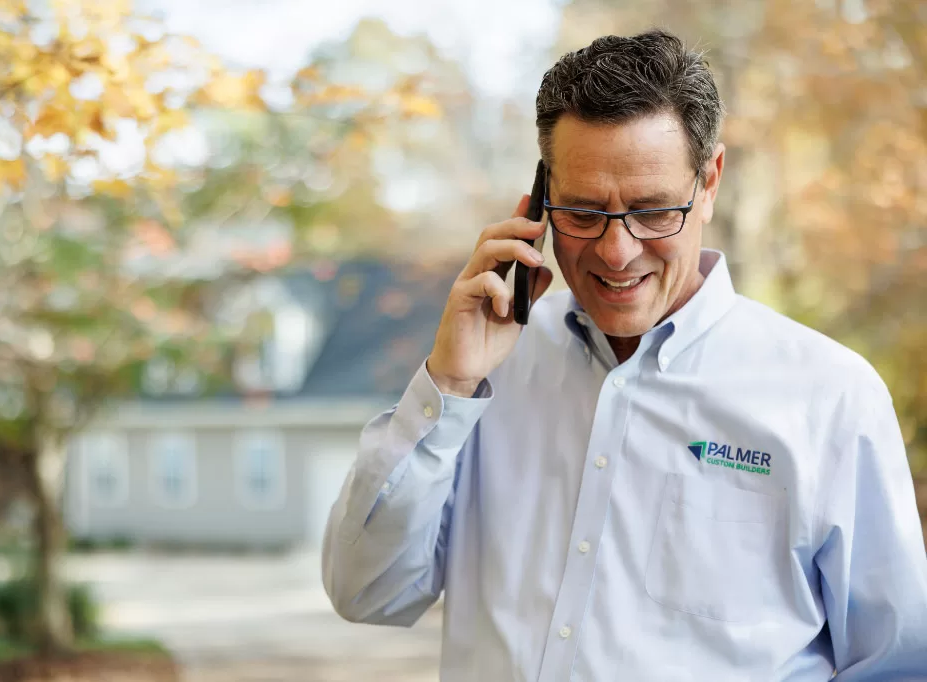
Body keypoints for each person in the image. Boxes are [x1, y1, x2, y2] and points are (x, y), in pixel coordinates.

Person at [321, 29, 927, 681]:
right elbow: (368, 593)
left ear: (710, 182)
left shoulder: (829, 395)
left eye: (652, 210)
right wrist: (448, 385)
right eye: (581, 212)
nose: (616, 250)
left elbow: (896, 663)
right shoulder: (486, 371)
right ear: (540, 198)